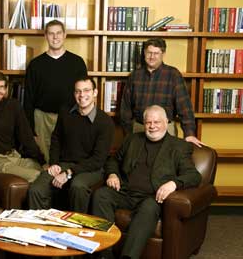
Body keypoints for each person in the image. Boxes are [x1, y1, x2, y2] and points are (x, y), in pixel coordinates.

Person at [92, 105, 202, 259]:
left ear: (166, 123)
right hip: (125, 192)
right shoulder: (132, 139)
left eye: (157, 122)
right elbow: (113, 160)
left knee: (149, 207)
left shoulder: (179, 146)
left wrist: (173, 184)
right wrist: (112, 174)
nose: (152, 126)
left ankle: (128, 257)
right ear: (144, 124)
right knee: (101, 194)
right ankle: (105, 253)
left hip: (152, 197)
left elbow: (194, 176)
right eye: (148, 122)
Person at [28, 77, 115, 213]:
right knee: (36, 189)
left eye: (86, 90)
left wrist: (69, 173)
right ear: (74, 94)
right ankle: (41, 228)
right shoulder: (65, 112)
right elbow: (56, 139)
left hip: (92, 169)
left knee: (78, 186)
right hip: (64, 163)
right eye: (78, 91)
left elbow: (98, 160)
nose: (82, 95)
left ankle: (75, 231)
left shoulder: (105, 122)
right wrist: (54, 163)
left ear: (95, 93)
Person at [120, 37, 204, 147]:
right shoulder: (135, 76)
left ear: (163, 54)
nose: (152, 56)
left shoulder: (173, 75)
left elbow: (185, 107)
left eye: (156, 53)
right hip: (139, 128)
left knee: (166, 163)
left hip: (166, 129)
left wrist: (189, 134)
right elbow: (125, 108)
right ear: (144, 53)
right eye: (149, 52)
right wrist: (128, 133)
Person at [24, 19, 88, 162]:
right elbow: (28, 98)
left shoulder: (77, 62)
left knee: (69, 155)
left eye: (59, 33)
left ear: (65, 35)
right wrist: (30, 128)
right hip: (42, 118)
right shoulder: (35, 65)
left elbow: (84, 93)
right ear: (45, 36)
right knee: (45, 159)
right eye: (51, 34)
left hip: (71, 116)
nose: (55, 37)